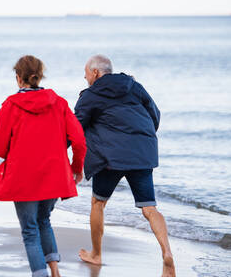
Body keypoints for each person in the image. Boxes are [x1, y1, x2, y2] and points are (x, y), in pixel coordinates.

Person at [0, 55, 87, 277]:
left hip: (23, 176)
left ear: (19, 79)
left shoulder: (11, 105)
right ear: (39, 76)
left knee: (30, 230)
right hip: (54, 174)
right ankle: (55, 271)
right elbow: (79, 140)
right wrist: (77, 168)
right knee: (44, 220)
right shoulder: (59, 102)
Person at [74, 54, 175, 277]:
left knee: (98, 203)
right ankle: (167, 252)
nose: (86, 79)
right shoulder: (134, 86)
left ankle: (96, 254)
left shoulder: (91, 94)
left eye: (86, 75)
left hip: (110, 157)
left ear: (95, 73)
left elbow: (76, 127)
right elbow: (154, 115)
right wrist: (140, 140)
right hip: (142, 152)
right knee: (149, 208)